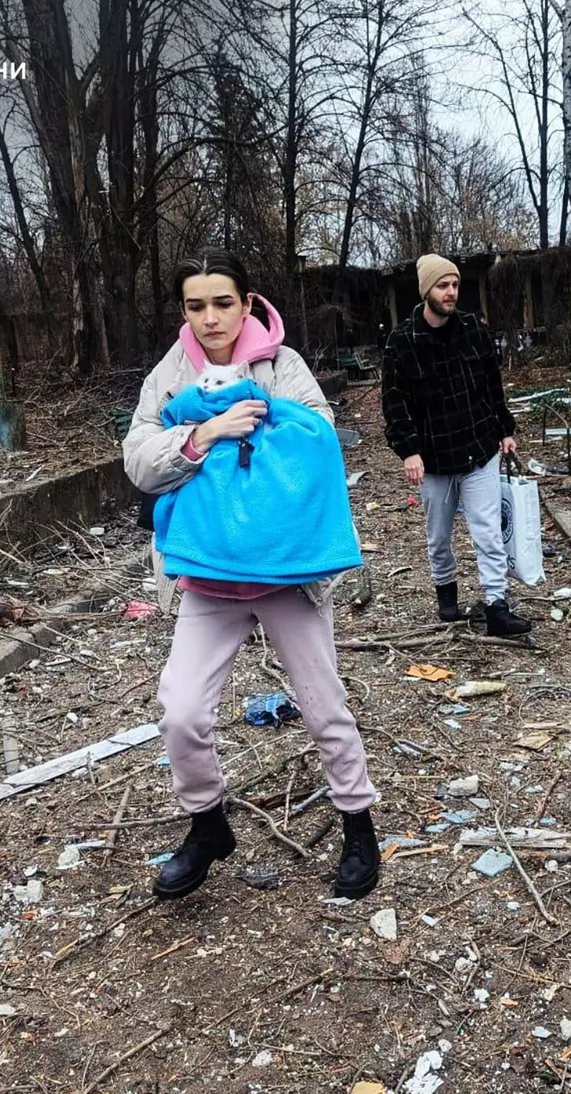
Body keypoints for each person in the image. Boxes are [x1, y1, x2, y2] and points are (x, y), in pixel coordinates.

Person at [123, 248, 380, 902]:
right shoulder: (169, 375)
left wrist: (255, 414)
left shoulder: (282, 365)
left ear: (247, 303)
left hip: (286, 571)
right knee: (181, 711)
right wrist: (204, 432)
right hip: (208, 575)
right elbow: (139, 463)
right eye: (196, 305)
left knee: (323, 705)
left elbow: (319, 439)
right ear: (184, 311)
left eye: (222, 302)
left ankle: (358, 824)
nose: (210, 318)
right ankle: (208, 825)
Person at [381, 254, 532, 637]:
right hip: (433, 457)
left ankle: (497, 606)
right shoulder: (403, 341)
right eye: (442, 286)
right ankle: (446, 596)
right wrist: (408, 450)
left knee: (488, 531)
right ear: (426, 291)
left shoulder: (472, 330)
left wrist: (505, 429)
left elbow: (492, 385)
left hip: (479, 447)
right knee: (439, 535)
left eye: (454, 285)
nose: (450, 292)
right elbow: (394, 403)